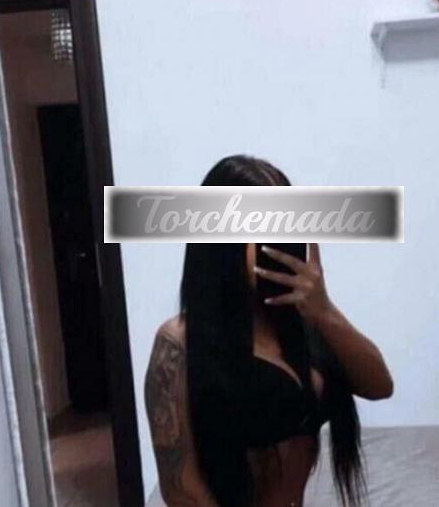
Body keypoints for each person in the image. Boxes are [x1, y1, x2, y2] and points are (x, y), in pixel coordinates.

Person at [145, 155, 393, 507]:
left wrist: (324, 310)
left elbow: (380, 385)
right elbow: (182, 488)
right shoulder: (180, 343)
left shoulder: (301, 321)